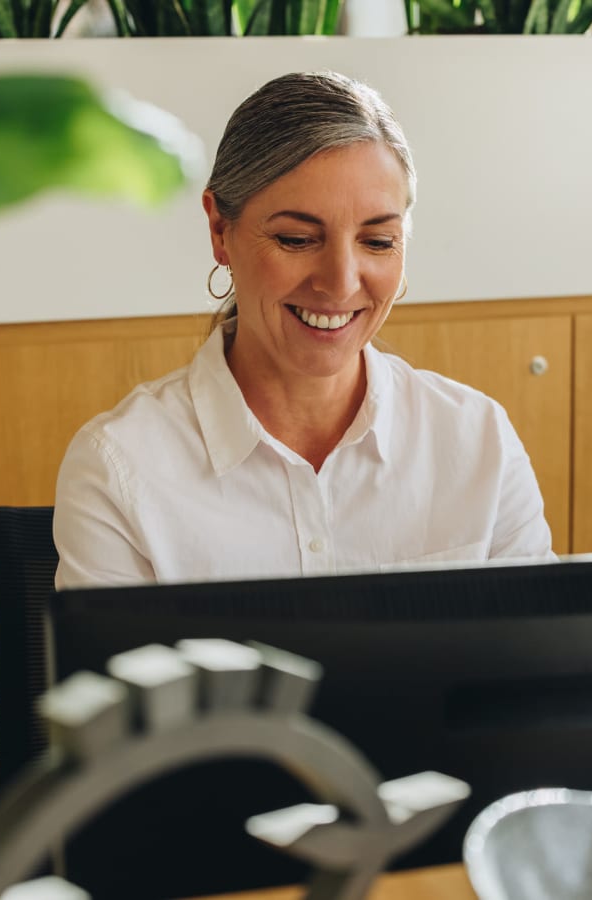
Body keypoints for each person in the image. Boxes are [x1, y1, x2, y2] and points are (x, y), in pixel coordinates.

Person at [54, 70, 554, 588]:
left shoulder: (479, 442)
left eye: (378, 242)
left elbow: (542, 657)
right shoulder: (119, 467)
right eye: (296, 239)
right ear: (220, 231)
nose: (340, 285)